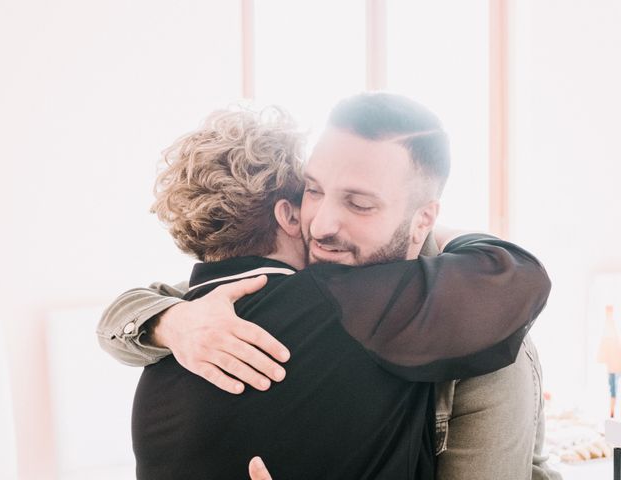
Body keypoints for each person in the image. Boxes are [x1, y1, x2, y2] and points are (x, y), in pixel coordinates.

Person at [98, 94, 556, 479]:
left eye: (359, 204)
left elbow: (518, 274)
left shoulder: (475, 326)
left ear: (421, 219)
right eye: (313, 191)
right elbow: (132, 310)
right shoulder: (215, 312)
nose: (323, 225)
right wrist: (170, 322)